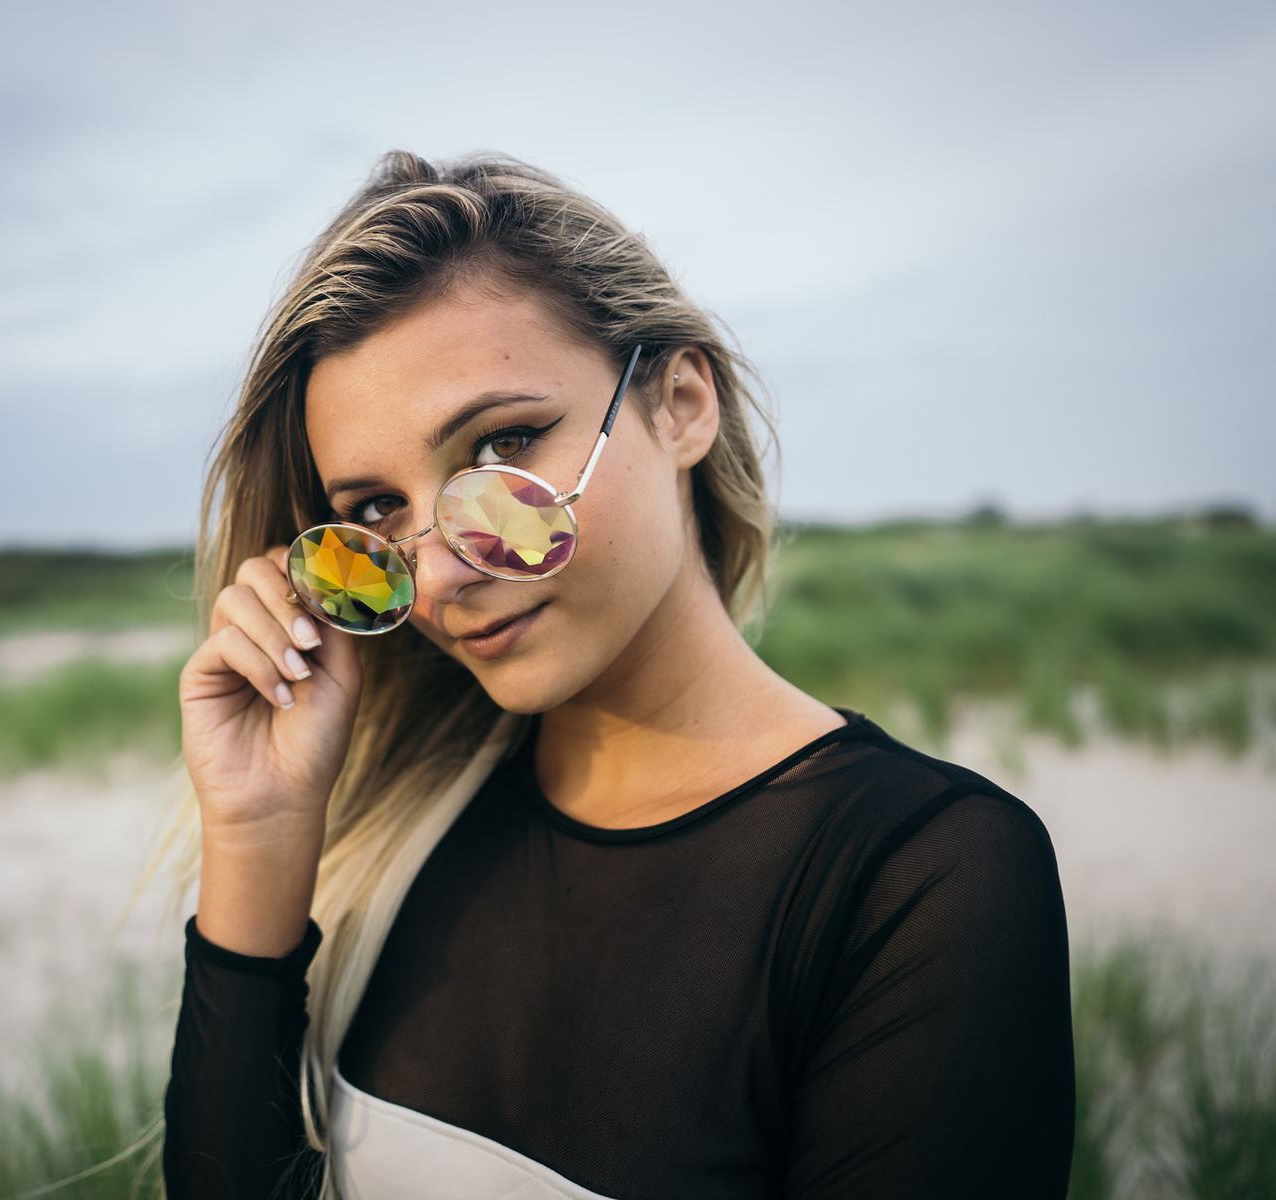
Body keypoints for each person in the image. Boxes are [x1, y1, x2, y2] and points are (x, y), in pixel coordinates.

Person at [163, 151, 1073, 1200]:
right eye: (376, 512)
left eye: (504, 444)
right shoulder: (411, 833)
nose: (449, 571)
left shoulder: (919, 878)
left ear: (681, 403)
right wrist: (259, 833)